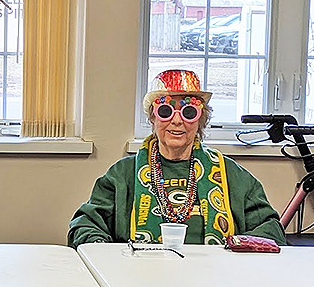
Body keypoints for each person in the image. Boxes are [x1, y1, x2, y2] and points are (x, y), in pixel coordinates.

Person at [68, 69, 286, 248]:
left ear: (201, 121)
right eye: (165, 111)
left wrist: (239, 251)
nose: (177, 121)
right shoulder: (122, 174)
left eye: (189, 113)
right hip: (140, 279)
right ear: (153, 119)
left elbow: (270, 228)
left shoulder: (230, 174)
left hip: (215, 282)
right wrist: (107, 255)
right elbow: (84, 225)